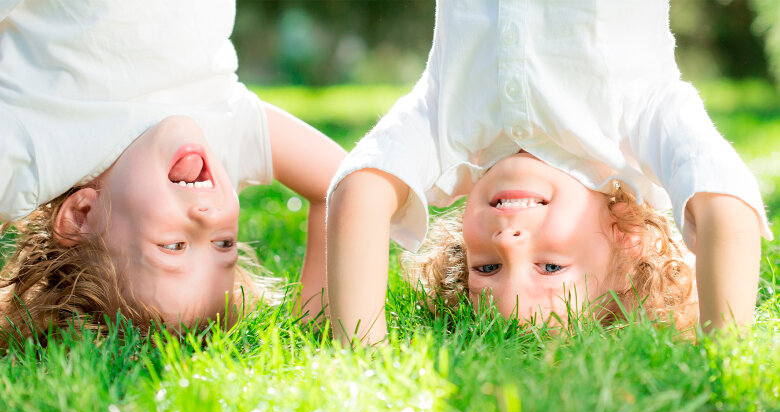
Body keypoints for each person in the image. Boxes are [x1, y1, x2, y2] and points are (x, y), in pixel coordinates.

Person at [327, 0, 772, 344]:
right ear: (626, 236)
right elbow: (727, 203)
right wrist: (719, 356)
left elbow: (358, 192)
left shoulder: (448, 123)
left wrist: (363, 357)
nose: (507, 241)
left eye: (486, 269)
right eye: (550, 266)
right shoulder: (640, 119)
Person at [0, 0, 345, 341]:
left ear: (83, 216)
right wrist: (313, 330)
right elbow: (339, 185)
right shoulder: (223, 136)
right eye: (224, 243)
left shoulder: (35, 155)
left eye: (175, 246)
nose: (208, 215)